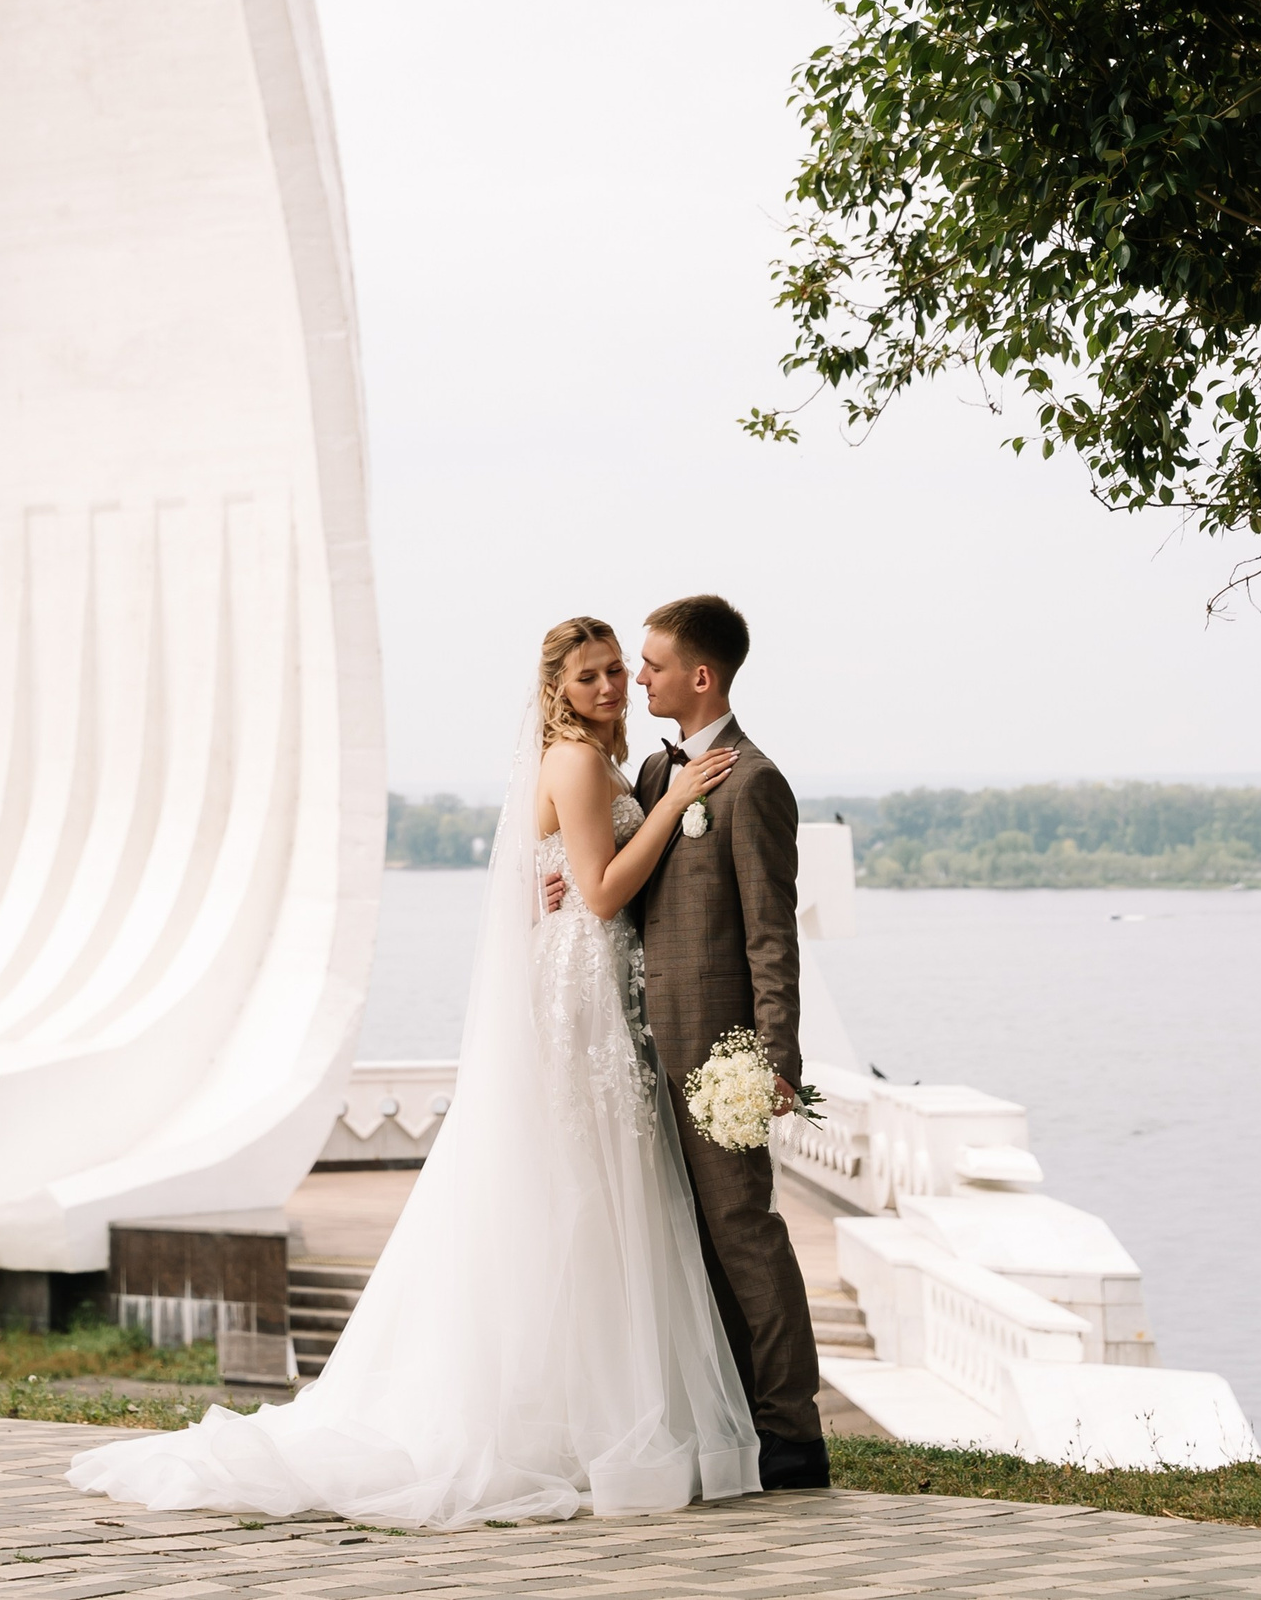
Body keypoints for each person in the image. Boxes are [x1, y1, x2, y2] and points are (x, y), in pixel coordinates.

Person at [64, 615, 759, 1527]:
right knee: (592, 1188)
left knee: (594, 1191)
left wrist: (570, 870)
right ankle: (584, 1422)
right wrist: (671, 808)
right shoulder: (576, 761)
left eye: (616, 671)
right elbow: (598, 892)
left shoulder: (595, 759)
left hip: (595, 982)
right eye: (589, 675)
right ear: (557, 687)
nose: (608, 686)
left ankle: (587, 1411)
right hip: (581, 996)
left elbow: (560, 875)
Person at [631, 594, 830, 1492]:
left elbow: (770, 936)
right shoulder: (652, 773)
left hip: (722, 1056)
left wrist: (774, 1059)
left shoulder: (755, 783)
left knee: (746, 1235)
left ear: (700, 676)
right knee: (688, 1242)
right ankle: (731, 1421)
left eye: (654, 664)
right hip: (642, 1050)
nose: (640, 677)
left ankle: (792, 1433)